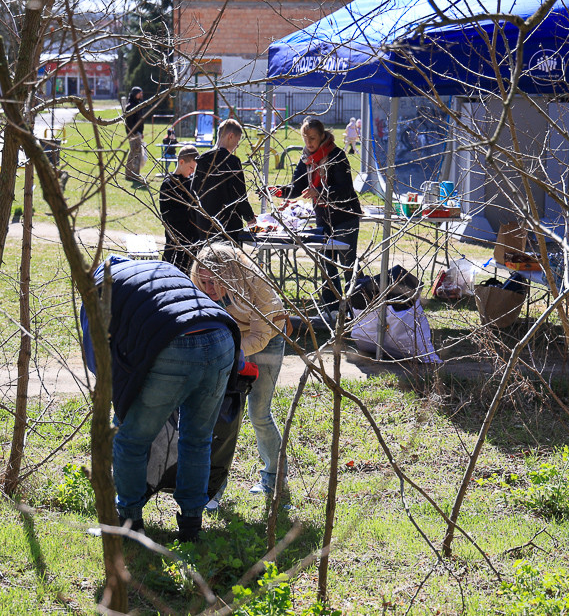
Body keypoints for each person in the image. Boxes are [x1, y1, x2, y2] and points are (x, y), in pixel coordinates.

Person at [80, 255, 241, 542]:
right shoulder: (158, 268)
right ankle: (191, 525)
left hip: (175, 344)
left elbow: (98, 361)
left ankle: (128, 523)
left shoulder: (96, 289)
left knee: (131, 438)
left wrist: (121, 399)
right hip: (222, 335)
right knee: (197, 439)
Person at [191, 243, 288, 505]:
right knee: (220, 415)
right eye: (203, 281)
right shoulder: (197, 285)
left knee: (259, 413)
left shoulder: (255, 282)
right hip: (230, 340)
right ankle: (213, 490)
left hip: (267, 339)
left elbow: (260, 335)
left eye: (214, 282)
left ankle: (274, 480)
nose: (208, 289)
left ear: (231, 275)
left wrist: (229, 349)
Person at [271, 117, 362, 318]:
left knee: (348, 266)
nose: (309, 142)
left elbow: (346, 190)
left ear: (322, 136)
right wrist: (279, 191)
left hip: (345, 216)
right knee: (326, 267)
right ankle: (333, 312)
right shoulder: (306, 158)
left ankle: (360, 309)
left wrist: (320, 191)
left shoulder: (337, 155)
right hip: (324, 219)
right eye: (305, 138)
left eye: (312, 138)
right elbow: (297, 187)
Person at [191, 119, 256, 241]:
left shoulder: (202, 160)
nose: (237, 145)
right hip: (227, 225)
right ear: (230, 136)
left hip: (204, 223)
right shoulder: (232, 162)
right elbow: (239, 195)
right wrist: (249, 217)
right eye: (237, 140)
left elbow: (193, 191)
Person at [160, 145, 202, 274]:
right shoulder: (168, 185)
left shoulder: (191, 183)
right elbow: (168, 215)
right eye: (191, 168)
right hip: (176, 243)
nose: (192, 172)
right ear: (181, 162)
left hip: (193, 242)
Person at [124, 86, 146, 187]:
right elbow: (129, 123)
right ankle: (133, 174)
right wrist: (134, 133)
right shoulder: (130, 106)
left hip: (138, 133)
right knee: (136, 154)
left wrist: (141, 132)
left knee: (134, 153)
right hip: (133, 134)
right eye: (139, 93)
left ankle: (130, 173)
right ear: (134, 94)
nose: (141, 95)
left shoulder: (138, 105)